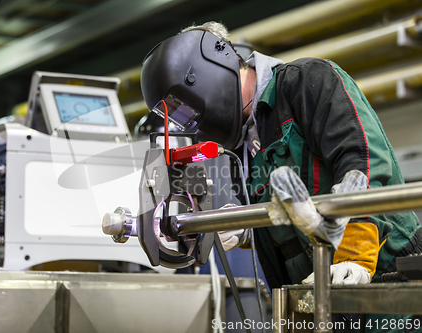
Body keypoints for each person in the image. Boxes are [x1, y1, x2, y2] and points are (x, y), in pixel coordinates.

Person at [140, 21, 422, 331]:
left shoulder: (307, 82)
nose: (194, 124)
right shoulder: (243, 141)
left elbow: (364, 161)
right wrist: (245, 227)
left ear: (209, 69)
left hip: (386, 278)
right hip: (312, 295)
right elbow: (284, 212)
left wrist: (354, 255)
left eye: (188, 112)